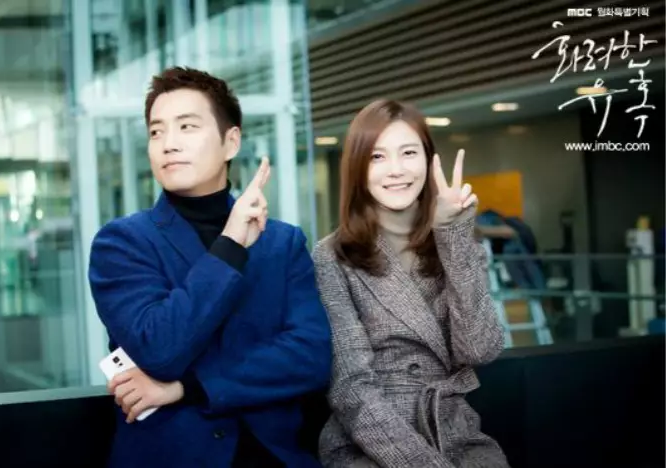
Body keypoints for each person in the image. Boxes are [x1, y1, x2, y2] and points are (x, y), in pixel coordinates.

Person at [88, 66, 332, 468]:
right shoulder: (121, 243)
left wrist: (188, 386)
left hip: (274, 456)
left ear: (230, 141)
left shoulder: (282, 242)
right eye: (156, 132)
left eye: (187, 127)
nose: (169, 144)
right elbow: (159, 349)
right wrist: (230, 242)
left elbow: (311, 357)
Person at [312, 99, 510, 468]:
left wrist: (452, 233)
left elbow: (479, 350)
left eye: (408, 153)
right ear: (357, 167)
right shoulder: (332, 255)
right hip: (370, 443)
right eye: (377, 157)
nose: (396, 170)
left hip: (454, 431)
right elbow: (352, 389)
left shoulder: (456, 239)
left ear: (429, 160)